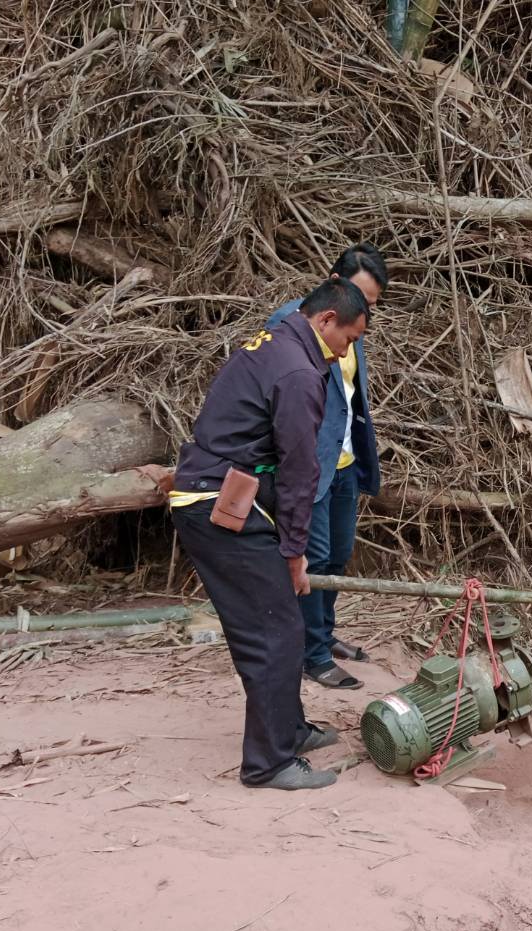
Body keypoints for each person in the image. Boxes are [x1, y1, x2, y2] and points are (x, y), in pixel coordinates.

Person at [169, 277, 369, 791]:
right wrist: (295, 552)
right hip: (220, 506)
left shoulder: (275, 342)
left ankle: (288, 730)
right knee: (276, 632)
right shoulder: (300, 373)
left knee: (273, 627)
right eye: (348, 339)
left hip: (214, 493)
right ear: (326, 321)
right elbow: (301, 472)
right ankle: (268, 763)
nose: (347, 351)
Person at [265, 245, 386, 692]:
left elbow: (351, 398)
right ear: (333, 281)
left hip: (345, 460)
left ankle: (324, 632)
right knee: (310, 559)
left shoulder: (351, 330)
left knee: (336, 555)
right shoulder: (289, 324)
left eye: (371, 305)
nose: (364, 312)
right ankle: (311, 654)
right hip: (310, 462)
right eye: (359, 296)